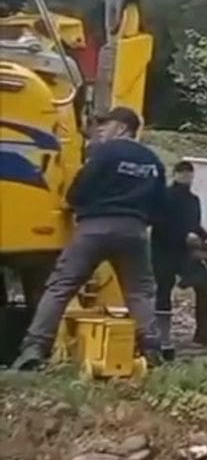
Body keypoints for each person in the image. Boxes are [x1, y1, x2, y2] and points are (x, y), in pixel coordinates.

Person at [12, 106, 166, 371]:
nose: (101, 131)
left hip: (95, 228)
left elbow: (80, 189)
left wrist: (73, 204)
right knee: (140, 292)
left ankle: (34, 348)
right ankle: (152, 351)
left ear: (122, 128)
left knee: (61, 287)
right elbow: (160, 206)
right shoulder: (153, 162)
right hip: (135, 232)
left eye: (106, 126)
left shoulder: (103, 153)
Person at [151, 160, 207, 358]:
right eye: (183, 175)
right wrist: (183, 235)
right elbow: (160, 224)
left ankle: (204, 334)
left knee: (205, 283)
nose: (187, 178)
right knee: (163, 292)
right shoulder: (163, 197)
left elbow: (194, 225)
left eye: (189, 175)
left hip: (186, 254)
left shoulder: (193, 200)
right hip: (164, 252)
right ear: (175, 175)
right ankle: (161, 338)